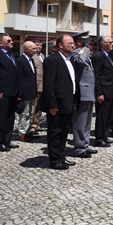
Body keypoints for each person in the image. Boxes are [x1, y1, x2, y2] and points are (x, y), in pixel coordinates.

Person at [41, 34, 77, 169]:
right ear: (60, 45)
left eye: (73, 43)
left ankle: (61, 156)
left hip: (69, 101)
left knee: (64, 131)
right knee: (55, 132)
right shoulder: (52, 60)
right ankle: (55, 159)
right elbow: (49, 85)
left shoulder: (70, 59)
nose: (72, 45)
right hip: (57, 103)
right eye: (69, 43)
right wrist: (52, 104)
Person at [69, 33, 97, 158]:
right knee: (80, 122)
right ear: (77, 42)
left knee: (87, 122)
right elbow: (80, 61)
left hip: (89, 91)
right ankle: (79, 148)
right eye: (83, 41)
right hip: (82, 92)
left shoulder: (82, 53)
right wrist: (84, 49)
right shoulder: (75, 53)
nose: (87, 44)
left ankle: (85, 145)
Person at [92, 35, 113, 148]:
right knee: (102, 115)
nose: (112, 44)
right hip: (104, 90)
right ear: (103, 44)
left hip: (111, 90)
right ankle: (99, 138)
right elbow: (96, 76)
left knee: (109, 115)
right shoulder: (98, 56)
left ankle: (105, 135)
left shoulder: (108, 55)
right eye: (110, 42)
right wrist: (99, 93)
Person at [0, 33, 20, 152]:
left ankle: (7, 140)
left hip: (13, 92)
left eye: (11, 40)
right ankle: (0, 142)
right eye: (9, 41)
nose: (12, 42)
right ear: (0, 43)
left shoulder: (11, 54)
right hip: (3, 92)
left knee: (10, 118)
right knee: (1, 119)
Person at [15, 41, 38, 142]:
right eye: (33, 49)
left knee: (29, 113)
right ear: (26, 49)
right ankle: (21, 134)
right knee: (24, 114)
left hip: (31, 92)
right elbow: (18, 78)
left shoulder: (31, 60)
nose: (35, 50)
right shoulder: (20, 61)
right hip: (24, 92)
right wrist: (19, 93)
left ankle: (26, 131)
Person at [29, 39, 45, 135]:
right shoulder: (32, 56)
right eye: (37, 45)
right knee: (34, 106)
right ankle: (31, 125)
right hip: (36, 84)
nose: (39, 47)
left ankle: (36, 124)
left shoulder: (42, 56)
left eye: (41, 45)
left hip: (43, 84)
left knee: (39, 107)